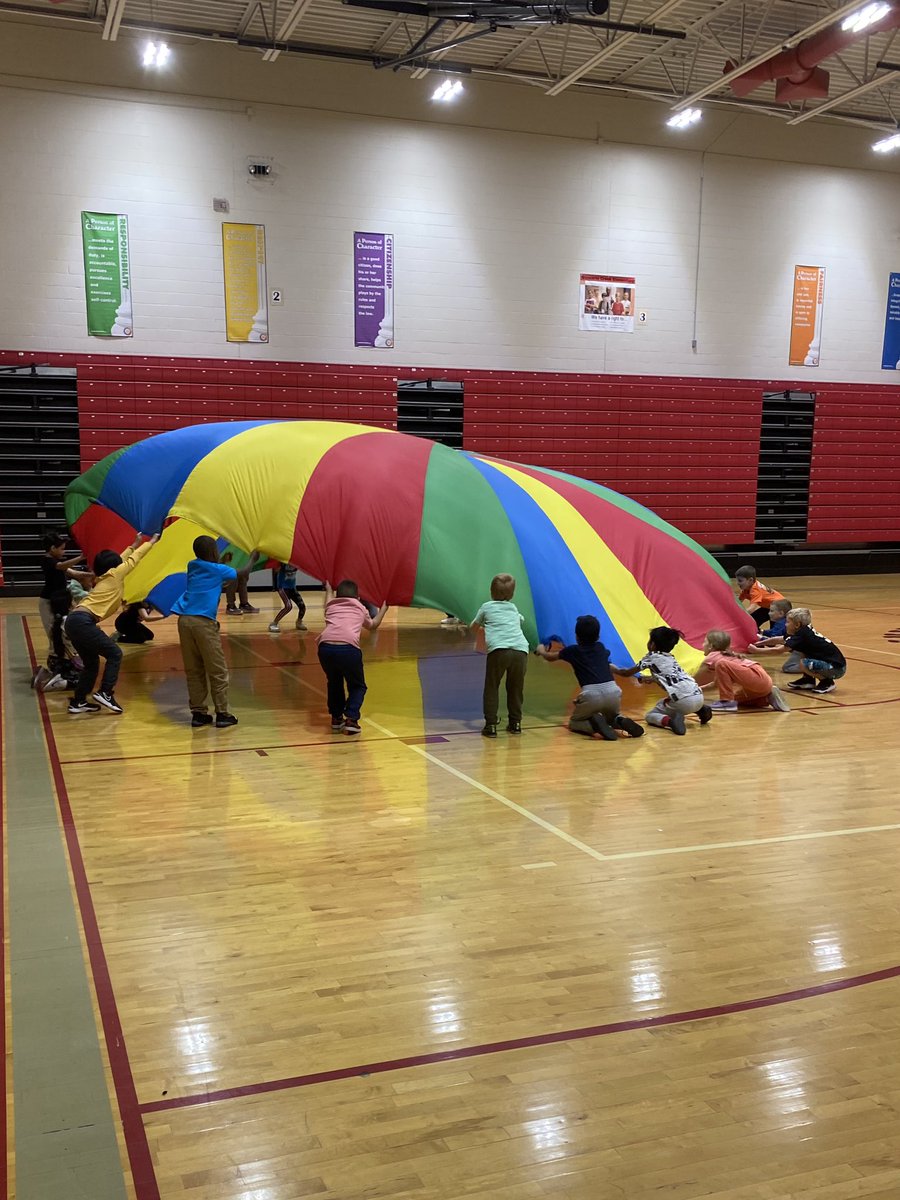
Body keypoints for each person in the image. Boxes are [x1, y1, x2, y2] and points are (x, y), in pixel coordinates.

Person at [64, 533, 158, 715]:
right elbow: (133, 560)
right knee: (115, 654)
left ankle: (78, 701)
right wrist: (151, 542)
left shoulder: (105, 576)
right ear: (114, 568)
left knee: (91, 664)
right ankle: (105, 692)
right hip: (83, 622)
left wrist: (135, 542)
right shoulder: (114, 575)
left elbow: (122, 559)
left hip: (74, 621)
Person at [535, 616, 643, 740]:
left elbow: (550, 657)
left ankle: (593, 725)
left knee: (574, 723)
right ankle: (619, 720)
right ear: (597, 636)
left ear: (576, 636)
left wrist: (541, 650)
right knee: (611, 717)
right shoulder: (600, 648)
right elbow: (606, 666)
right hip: (614, 691)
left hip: (591, 694)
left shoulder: (572, 651)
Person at [172, 536, 240, 728]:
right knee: (217, 670)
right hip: (204, 623)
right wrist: (253, 557)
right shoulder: (218, 570)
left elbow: (213, 574)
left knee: (194, 670)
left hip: (184, 621)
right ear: (213, 551)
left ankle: (199, 713)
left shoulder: (193, 566)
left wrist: (221, 562)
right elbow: (239, 573)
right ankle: (222, 713)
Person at [612, 626, 712, 736]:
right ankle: (701, 710)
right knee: (673, 701)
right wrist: (651, 678)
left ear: (652, 644)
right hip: (698, 696)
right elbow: (672, 677)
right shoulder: (670, 657)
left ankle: (670, 721)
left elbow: (626, 673)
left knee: (650, 715)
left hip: (682, 701)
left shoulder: (651, 657)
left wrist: (612, 668)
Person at [317, 580, 388, 735]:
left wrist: (328, 588)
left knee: (334, 682)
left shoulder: (332, 606)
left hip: (325, 648)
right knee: (358, 686)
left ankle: (336, 718)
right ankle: (351, 719)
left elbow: (328, 600)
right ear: (357, 596)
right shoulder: (360, 608)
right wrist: (385, 607)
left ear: (337, 595)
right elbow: (373, 624)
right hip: (348, 648)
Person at [468, 573, 529, 737]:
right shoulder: (514, 608)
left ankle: (491, 725)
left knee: (492, 687)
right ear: (512, 594)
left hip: (499, 650)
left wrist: (479, 629)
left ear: (490, 591)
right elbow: (519, 621)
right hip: (520, 650)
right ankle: (516, 723)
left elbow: (474, 627)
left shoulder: (486, 607)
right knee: (516, 688)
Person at [697, 630, 790, 712]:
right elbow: (716, 684)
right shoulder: (728, 655)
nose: (702, 645)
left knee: (721, 664)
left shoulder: (713, 656)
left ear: (711, 646)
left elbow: (696, 678)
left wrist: (688, 688)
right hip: (761, 680)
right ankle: (766, 697)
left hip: (756, 676)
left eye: (704, 642)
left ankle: (727, 702)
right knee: (736, 698)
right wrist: (698, 690)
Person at [38, 533, 90, 653]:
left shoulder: (57, 562)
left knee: (65, 630)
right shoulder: (47, 561)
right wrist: (81, 557)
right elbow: (61, 566)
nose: (64, 552)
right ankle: (55, 659)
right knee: (53, 632)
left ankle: (68, 658)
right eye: (62, 549)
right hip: (48, 601)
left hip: (61, 601)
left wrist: (93, 575)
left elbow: (76, 574)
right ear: (52, 548)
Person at [783, 607, 847, 694]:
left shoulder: (803, 634)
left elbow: (782, 649)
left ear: (797, 625)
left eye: (787, 622)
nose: (785, 624)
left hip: (837, 668)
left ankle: (827, 683)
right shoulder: (804, 631)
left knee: (803, 663)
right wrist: (761, 640)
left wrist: (758, 650)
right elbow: (783, 640)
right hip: (834, 664)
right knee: (801, 651)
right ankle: (808, 680)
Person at [748, 597, 802, 674]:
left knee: (788, 668)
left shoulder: (781, 624)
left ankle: (809, 667)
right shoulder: (781, 622)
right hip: (793, 647)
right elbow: (775, 635)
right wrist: (762, 632)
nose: (769, 613)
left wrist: (760, 639)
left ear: (781, 613)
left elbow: (774, 642)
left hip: (798, 650)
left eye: (772, 611)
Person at [268, 563, 307, 633]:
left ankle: (299, 622)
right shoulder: (282, 563)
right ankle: (274, 623)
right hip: (283, 588)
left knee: (302, 606)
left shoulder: (296, 562)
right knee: (288, 606)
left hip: (292, 588)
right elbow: (276, 569)